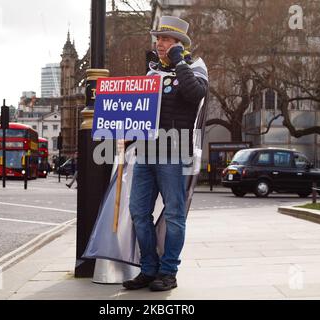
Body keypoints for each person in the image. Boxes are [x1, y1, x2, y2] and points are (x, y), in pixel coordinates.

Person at [122, 16, 208, 291]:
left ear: (180, 44)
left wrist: (178, 61)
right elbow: (143, 113)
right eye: (158, 39)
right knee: (138, 212)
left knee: (174, 215)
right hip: (146, 153)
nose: (159, 43)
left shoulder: (195, 68)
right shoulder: (151, 72)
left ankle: (168, 271)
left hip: (174, 153)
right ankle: (148, 268)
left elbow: (195, 96)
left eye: (166, 39)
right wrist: (127, 133)